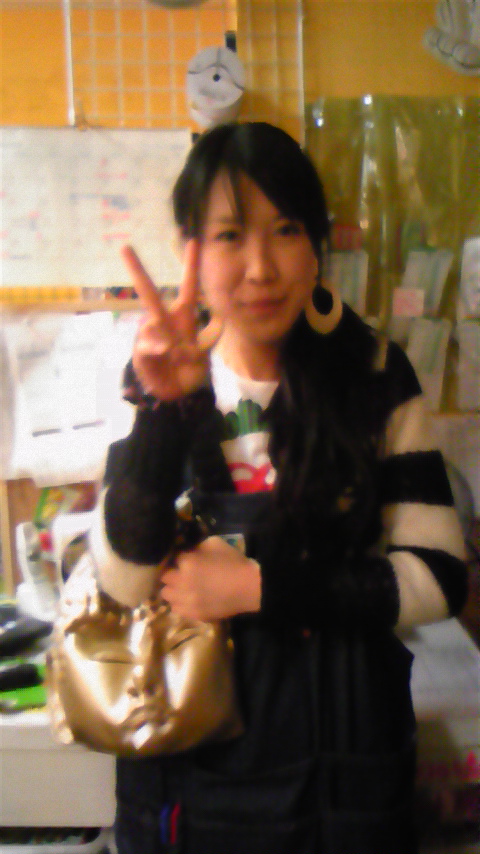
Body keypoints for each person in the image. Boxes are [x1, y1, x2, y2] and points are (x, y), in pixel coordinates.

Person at [89, 121, 468, 854]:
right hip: (192, 772)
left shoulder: (377, 373)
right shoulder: (152, 373)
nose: (261, 267)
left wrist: (257, 587)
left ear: (316, 245)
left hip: (347, 767)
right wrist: (164, 411)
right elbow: (123, 586)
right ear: (189, 249)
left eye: (286, 230)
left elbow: (440, 576)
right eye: (230, 235)